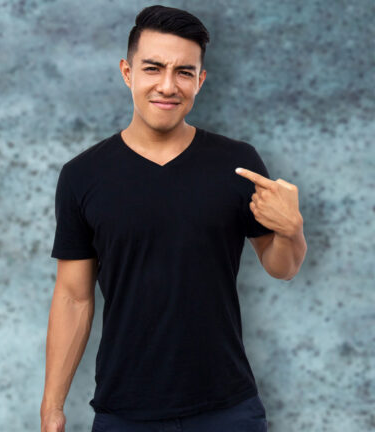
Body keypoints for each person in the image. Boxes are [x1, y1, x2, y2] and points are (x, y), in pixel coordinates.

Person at [40, 5, 307, 432]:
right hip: (124, 412)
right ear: (127, 72)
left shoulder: (237, 163)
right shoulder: (82, 176)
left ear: (200, 80)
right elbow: (73, 297)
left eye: (184, 72)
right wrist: (52, 407)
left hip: (228, 410)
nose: (167, 86)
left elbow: (283, 267)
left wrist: (291, 231)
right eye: (153, 68)